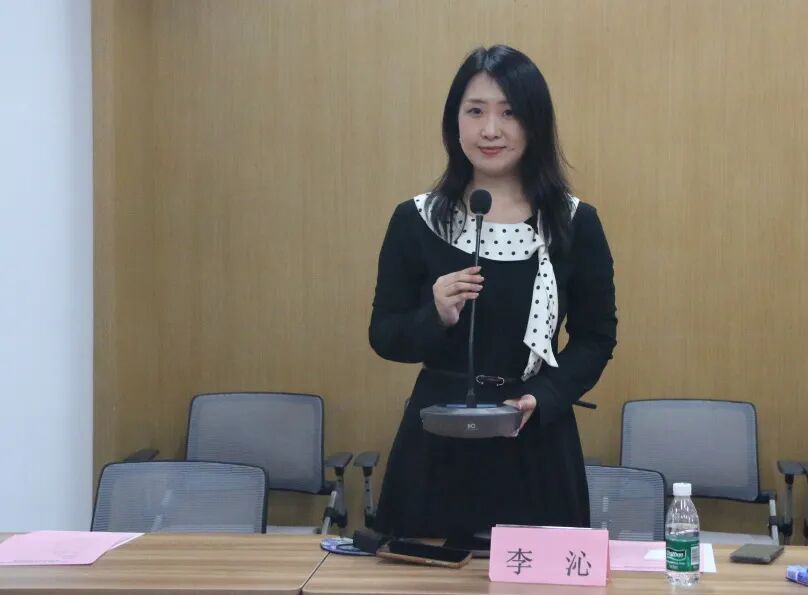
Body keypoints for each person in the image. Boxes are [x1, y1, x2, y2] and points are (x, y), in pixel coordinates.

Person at [368, 45, 617, 539]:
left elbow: (596, 338)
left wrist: (544, 397)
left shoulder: (574, 223)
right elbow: (385, 335)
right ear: (454, 121)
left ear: (535, 123)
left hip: (535, 442)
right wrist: (435, 314)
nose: (490, 130)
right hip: (438, 443)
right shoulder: (416, 220)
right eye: (475, 111)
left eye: (509, 113)